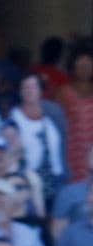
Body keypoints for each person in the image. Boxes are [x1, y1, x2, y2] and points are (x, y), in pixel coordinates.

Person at [10, 73, 67, 210]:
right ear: (20, 91)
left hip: (56, 178)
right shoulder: (14, 116)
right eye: (25, 87)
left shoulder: (54, 111)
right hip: (30, 180)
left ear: (40, 90)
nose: (29, 90)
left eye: (33, 86)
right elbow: (12, 152)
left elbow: (64, 141)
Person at [56, 46, 93, 182]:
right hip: (71, 156)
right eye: (80, 65)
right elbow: (57, 127)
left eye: (88, 64)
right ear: (73, 66)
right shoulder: (63, 93)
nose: (85, 68)